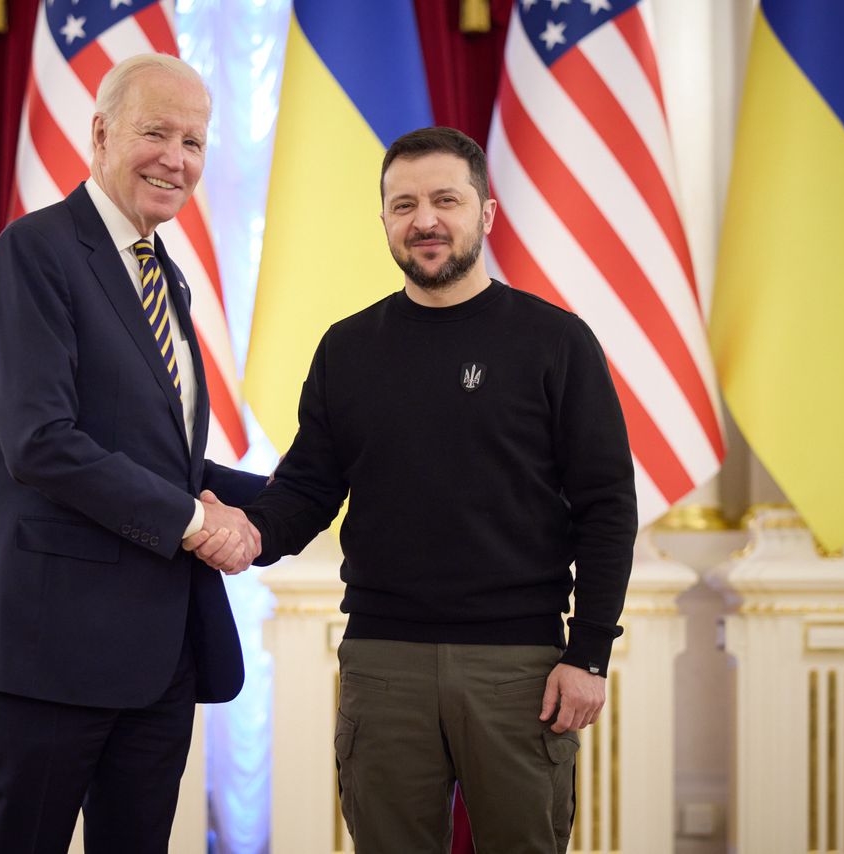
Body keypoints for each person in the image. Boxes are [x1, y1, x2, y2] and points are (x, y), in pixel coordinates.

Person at [201, 126, 638, 852]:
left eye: (445, 199)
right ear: (384, 222)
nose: (424, 220)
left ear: (486, 213)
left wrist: (588, 651)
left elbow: (607, 507)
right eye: (403, 205)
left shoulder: (555, 343)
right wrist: (246, 528)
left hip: (521, 666)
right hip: (382, 660)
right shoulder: (348, 348)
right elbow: (308, 490)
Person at [0, 54, 264, 854]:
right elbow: (42, 444)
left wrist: (299, 493)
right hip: (48, 649)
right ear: (98, 133)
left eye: (194, 141)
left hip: (158, 656)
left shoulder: (167, 278)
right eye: (155, 132)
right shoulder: (36, 252)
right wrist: (196, 523)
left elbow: (163, 462)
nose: (177, 158)